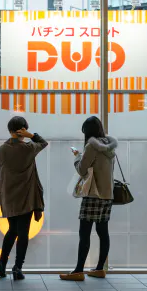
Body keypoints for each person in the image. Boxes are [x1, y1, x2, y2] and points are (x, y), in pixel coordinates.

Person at [60, 116, 118, 281]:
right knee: (102, 231)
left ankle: (78, 271)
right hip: (107, 195)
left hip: (94, 194)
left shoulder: (92, 147)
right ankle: (100, 269)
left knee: (84, 233)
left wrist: (77, 156)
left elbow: (82, 169)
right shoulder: (110, 147)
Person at [0, 116, 48, 280]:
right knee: (23, 232)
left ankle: (1, 264)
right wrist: (31, 135)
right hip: (26, 197)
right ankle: (17, 268)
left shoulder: (2, 149)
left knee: (12, 230)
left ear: (10, 130)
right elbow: (43, 143)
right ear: (24, 130)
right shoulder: (29, 148)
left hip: (9, 196)